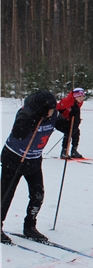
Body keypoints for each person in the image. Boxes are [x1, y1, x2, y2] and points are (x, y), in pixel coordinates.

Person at [1, 91, 58, 244]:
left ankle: (30, 226)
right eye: (50, 109)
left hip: (33, 160)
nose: (53, 112)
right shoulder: (26, 113)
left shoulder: (51, 114)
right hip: (14, 158)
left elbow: (61, 124)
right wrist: (35, 118)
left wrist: (71, 120)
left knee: (37, 193)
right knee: (6, 194)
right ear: (41, 108)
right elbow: (19, 132)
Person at [56, 88, 85, 159]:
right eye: (79, 96)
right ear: (75, 96)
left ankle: (74, 150)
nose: (81, 98)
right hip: (61, 120)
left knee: (76, 132)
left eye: (82, 96)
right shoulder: (67, 101)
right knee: (68, 132)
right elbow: (57, 108)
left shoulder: (79, 102)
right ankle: (64, 151)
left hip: (71, 120)